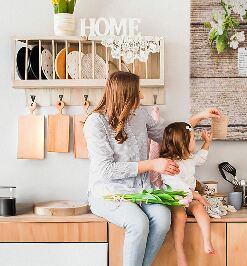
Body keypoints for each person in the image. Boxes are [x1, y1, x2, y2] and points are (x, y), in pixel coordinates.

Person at [83, 71, 221, 266]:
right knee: (138, 223)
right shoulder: (95, 123)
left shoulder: (139, 114)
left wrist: (199, 116)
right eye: (137, 92)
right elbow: (105, 169)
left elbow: (169, 135)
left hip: (142, 191)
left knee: (163, 219)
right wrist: (152, 164)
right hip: (108, 194)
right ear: (125, 94)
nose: (141, 96)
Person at [159, 122, 214, 266]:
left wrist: (207, 143)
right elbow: (175, 184)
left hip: (189, 196)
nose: (195, 141)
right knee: (180, 215)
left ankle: (207, 240)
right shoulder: (168, 163)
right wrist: (196, 195)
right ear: (182, 143)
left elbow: (200, 159)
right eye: (193, 139)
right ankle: (179, 252)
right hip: (174, 197)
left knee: (200, 209)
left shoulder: (188, 158)